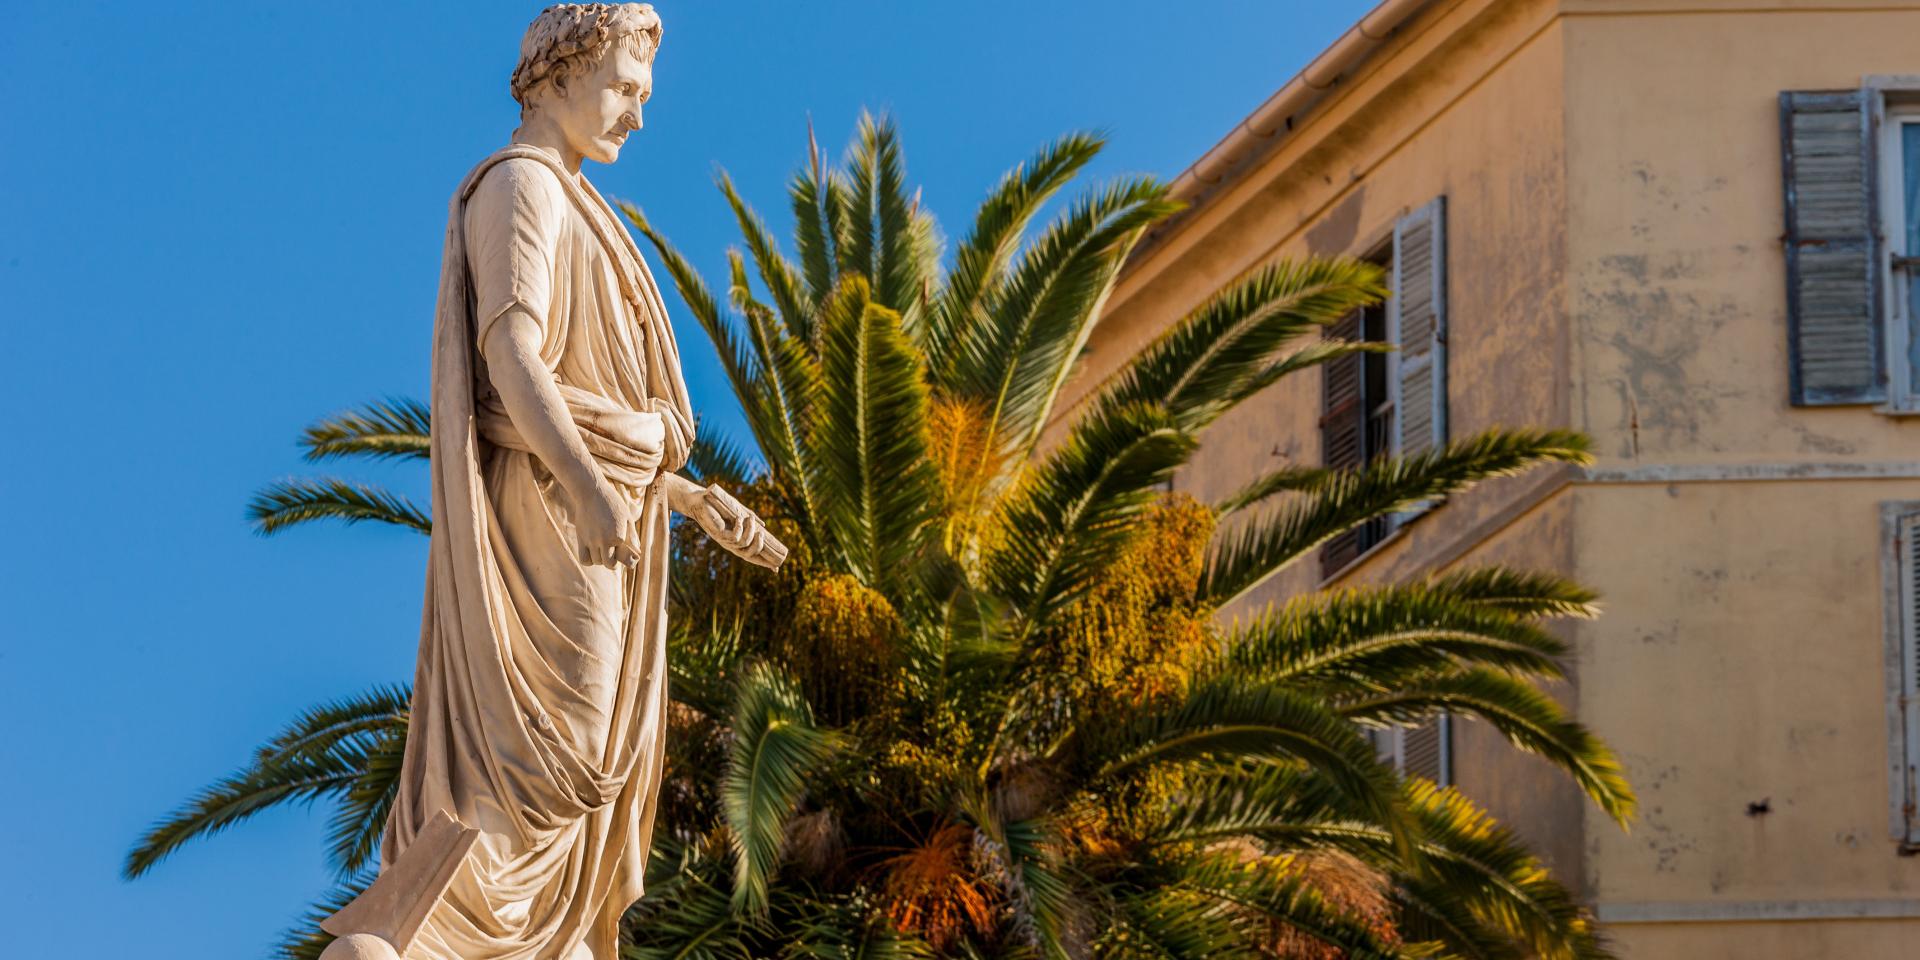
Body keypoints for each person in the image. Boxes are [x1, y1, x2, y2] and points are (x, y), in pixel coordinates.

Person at [319, 6, 781, 959]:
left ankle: (537, 936)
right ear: (559, 77)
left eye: (643, 97)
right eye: (623, 90)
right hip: (558, 511)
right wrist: (586, 482)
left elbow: (595, 403)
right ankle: (458, 931)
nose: (637, 117)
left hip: (602, 510)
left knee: (587, 759)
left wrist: (685, 496)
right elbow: (513, 360)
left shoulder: (583, 208)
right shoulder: (521, 187)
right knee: (551, 746)